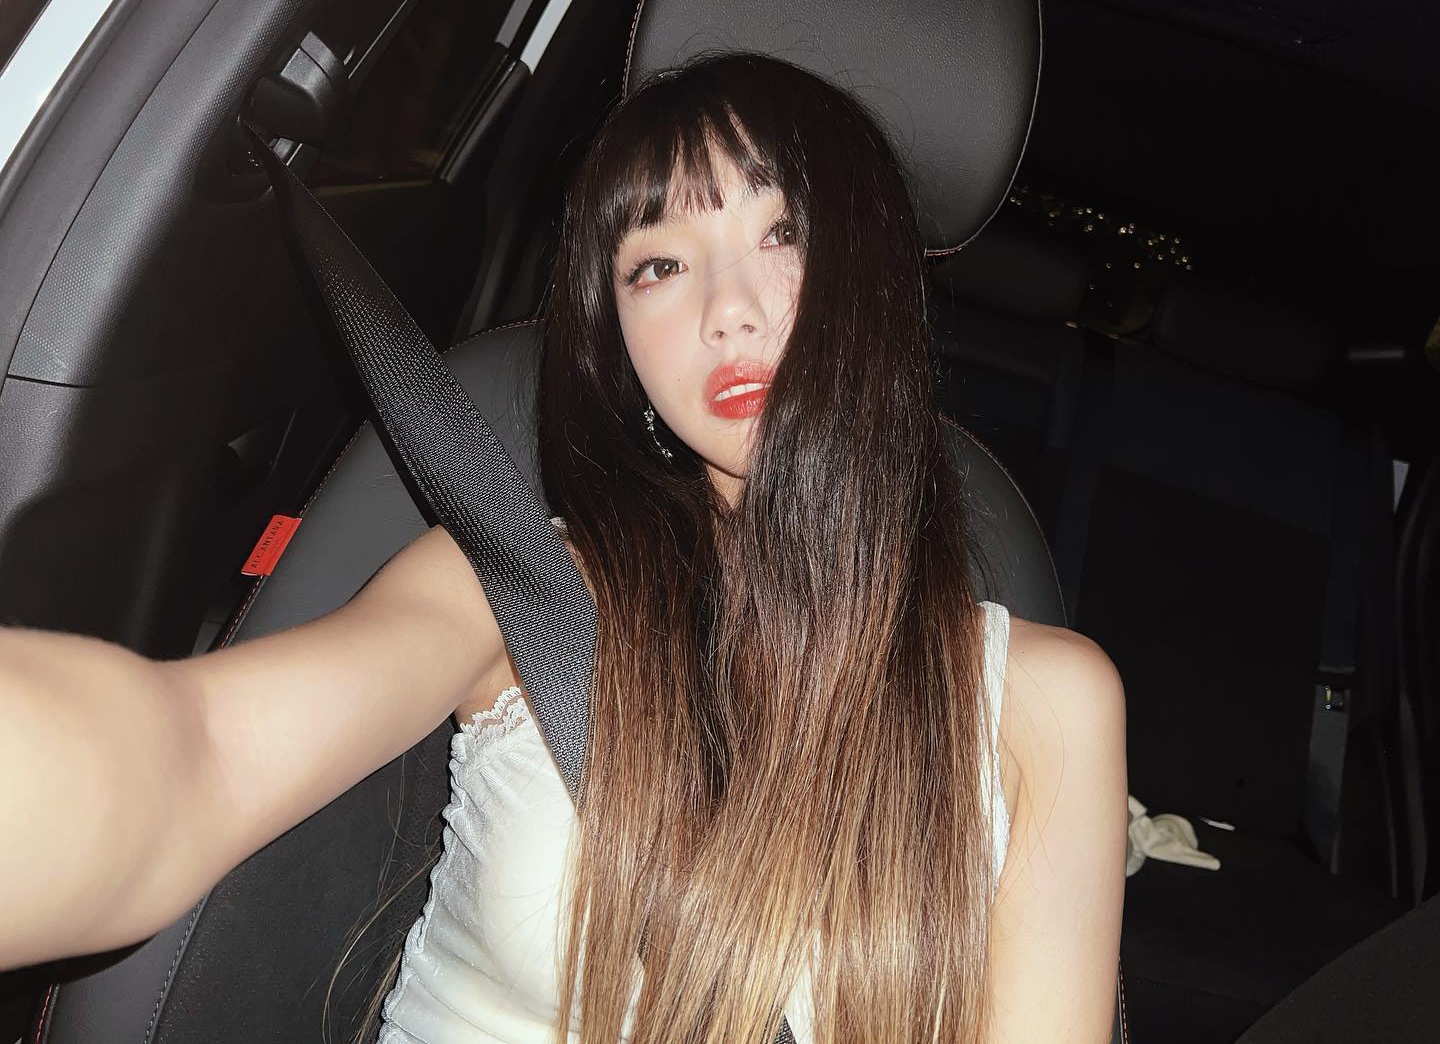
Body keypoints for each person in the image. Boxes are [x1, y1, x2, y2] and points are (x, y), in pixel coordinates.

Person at [0, 53, 1126, 1042]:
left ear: (874, 271)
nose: (726, 310)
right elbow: (194, 757)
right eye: (658, 265)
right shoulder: (516, 587)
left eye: (783, 232)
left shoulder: (1049, 705)